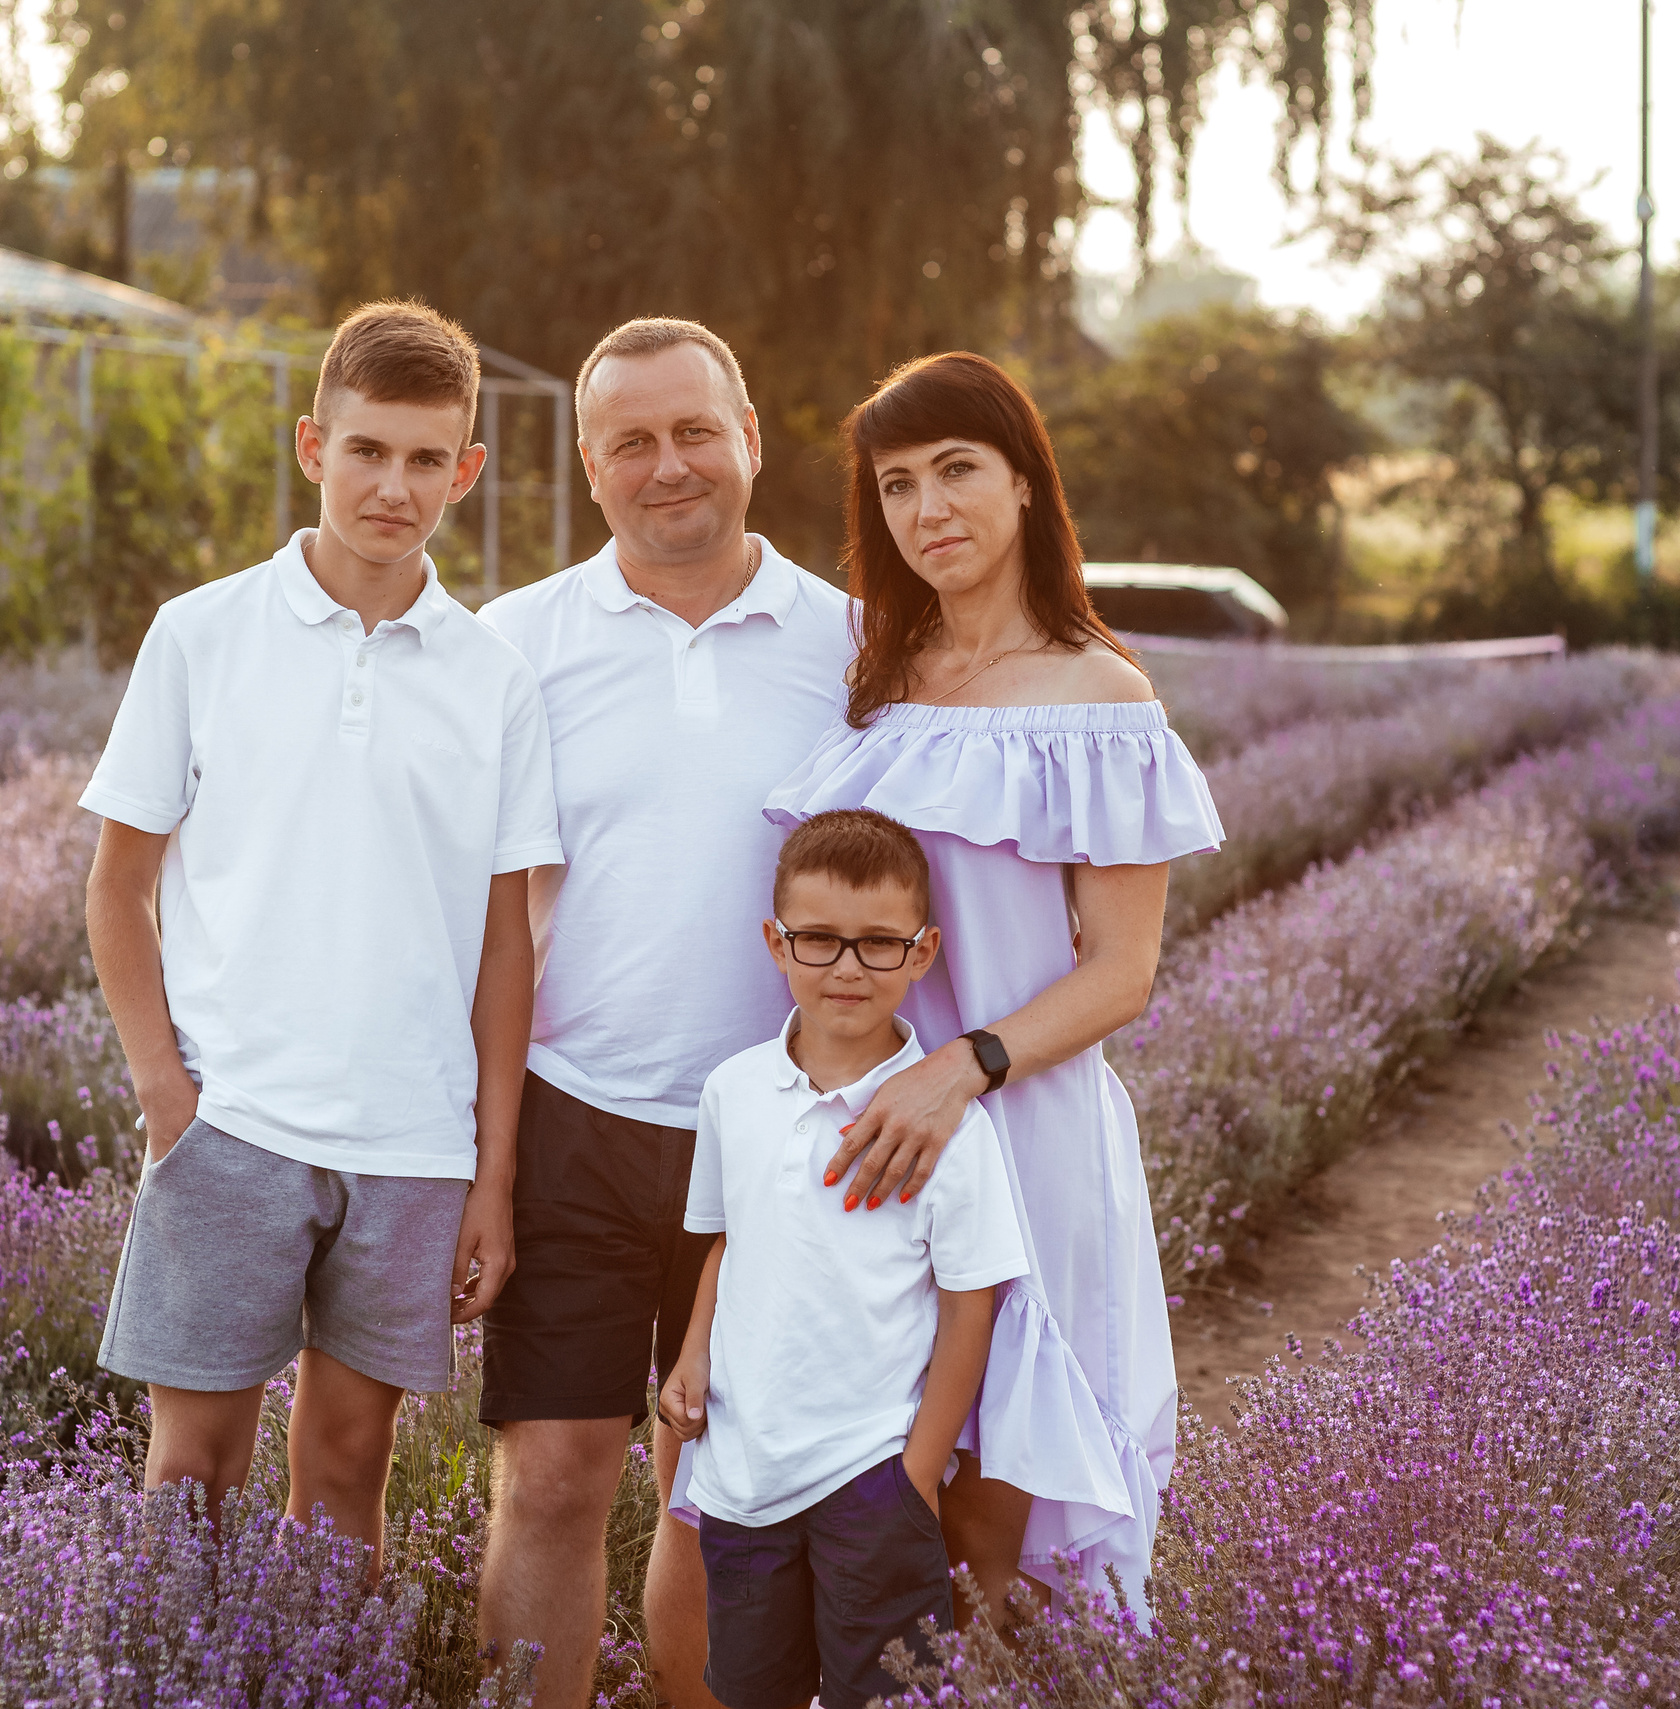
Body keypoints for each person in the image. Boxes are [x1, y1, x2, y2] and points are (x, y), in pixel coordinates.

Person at [81, 301, 561, 1575]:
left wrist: (491, 1174)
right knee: (190, 1476)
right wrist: (166, 1094)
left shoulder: (492, 676)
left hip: (412, 1146)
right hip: (230, 1128)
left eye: (423, 459)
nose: (392, 486)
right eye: (366, 450)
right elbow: (116, 885)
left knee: (347, 1476)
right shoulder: (201, 632)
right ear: (312, 446)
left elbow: (506, 947)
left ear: (464, 470)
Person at [765, 351, 1225, 1617]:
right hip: (867, 1141)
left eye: (958, 470)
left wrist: (954, 1070)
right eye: (898, 484)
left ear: (1025, 485)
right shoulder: (874, 692)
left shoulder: (1099, 696)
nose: (929, 509)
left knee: (996, 1527)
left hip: (1014, 1131)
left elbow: (1123, 973)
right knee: (871, 1495)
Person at [475, 318, 854, 1709]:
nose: (668, 464)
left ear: (750, 439)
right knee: (556, 1474)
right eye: (631, 441)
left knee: (725, 1493)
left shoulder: (855, 648)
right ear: (590, 467)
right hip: (576, 1116)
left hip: (777, 1134)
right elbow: (480, 918)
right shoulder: (511, 645)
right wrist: (488, 1153)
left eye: (695, 431)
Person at [657, 808, 1028, 1709]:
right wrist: (694, 1356)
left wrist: (916, 1473)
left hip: (873, 1474)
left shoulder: (946, 1123)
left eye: (877, 944)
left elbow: (969, 1305)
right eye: (818, 940)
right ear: (774, 942)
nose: (848, 967)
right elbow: (725, 1243)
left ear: (924, 949)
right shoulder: (733, 1091)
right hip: (745, 1473)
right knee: (752, 1690)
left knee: (888, 1695)